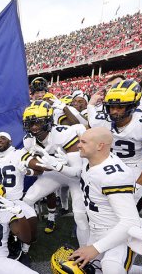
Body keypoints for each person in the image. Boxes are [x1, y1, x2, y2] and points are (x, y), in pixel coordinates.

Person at [72, 127, 142, 273]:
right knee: (93, 269)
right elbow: (82, 175)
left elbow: (130, 221)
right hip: (97, 230)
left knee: (111, 267)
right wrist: (57, 167)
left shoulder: (113, 176)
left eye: (83, 142)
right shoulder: (91, 161)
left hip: (121, 234)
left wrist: (95, 248)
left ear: (100, 146)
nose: (78, 145)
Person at [20, 101, 89, 247]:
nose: (34, 127)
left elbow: (77, 172)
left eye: (38, 123)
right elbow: (26, 158)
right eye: (30, 123)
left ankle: (85, 250)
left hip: (75, 175)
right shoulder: (28, 140)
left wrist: (56, 165)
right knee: (27, 200)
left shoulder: (64, 133)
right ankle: (27, 238)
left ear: (49, 121)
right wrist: (42, 166)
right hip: (54, 173)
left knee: (80, 215)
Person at [87, 79, 142, 211]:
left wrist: (139, 184)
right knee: (99, 207)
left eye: (120, 107)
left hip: (133, 168)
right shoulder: (101, 121)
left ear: (132, 106)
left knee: (124, 211)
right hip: (108, 165)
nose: (114, 111)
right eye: (111, 106)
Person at [0, 132, 37, 266]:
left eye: (3, 138)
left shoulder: (19, 154)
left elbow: (38, 171)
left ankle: (25, 250)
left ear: (10, 142)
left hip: (16, 201)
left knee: (32, 220)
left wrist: (28, 171)